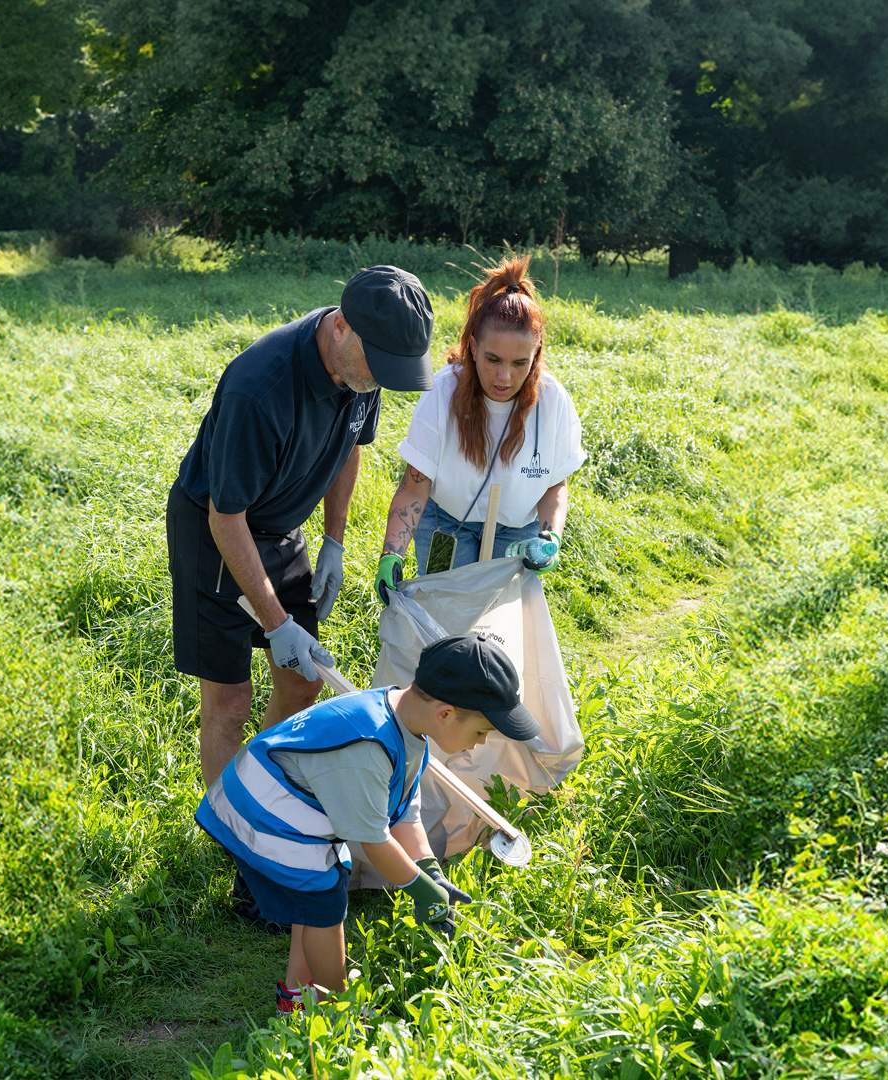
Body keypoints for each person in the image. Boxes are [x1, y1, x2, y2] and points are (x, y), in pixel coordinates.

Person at [168, 265, 434, 790]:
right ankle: (227, 819)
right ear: (341, 326)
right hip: (215, 536)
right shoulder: (259, 389)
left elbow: (350, 448)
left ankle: (263, 794)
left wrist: (334, 540)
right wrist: (275, 623)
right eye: (379, 364)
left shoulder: (362, 367)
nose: (381, 379)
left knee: (303, 681)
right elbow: (226, 517)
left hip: (282, 527)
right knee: (230, 702)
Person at [195, 634, 539, 1013]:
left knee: (321, 888)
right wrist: (420, 889)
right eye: (481, 732)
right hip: (262, 812)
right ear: (444, 713)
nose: (480, 743)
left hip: (289, 808)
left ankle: (297, 997)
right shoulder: (369, 747)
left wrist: (430, 871)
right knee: (325, 903)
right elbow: (375, 841)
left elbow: (404, 813)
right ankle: (336, 1007)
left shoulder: (407, 726)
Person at [375, 256, 584, 604]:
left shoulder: (553, 401)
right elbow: (414, 487)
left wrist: (551, 538)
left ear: (536, 353)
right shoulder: (442, 393)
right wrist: (391, 555)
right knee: (446, 614)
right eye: (493, 359)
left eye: (520, 363)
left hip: (516, 533)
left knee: (499, 623)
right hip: (445, 524)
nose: (504, 377)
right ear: (473, 348)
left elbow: (555, 486)